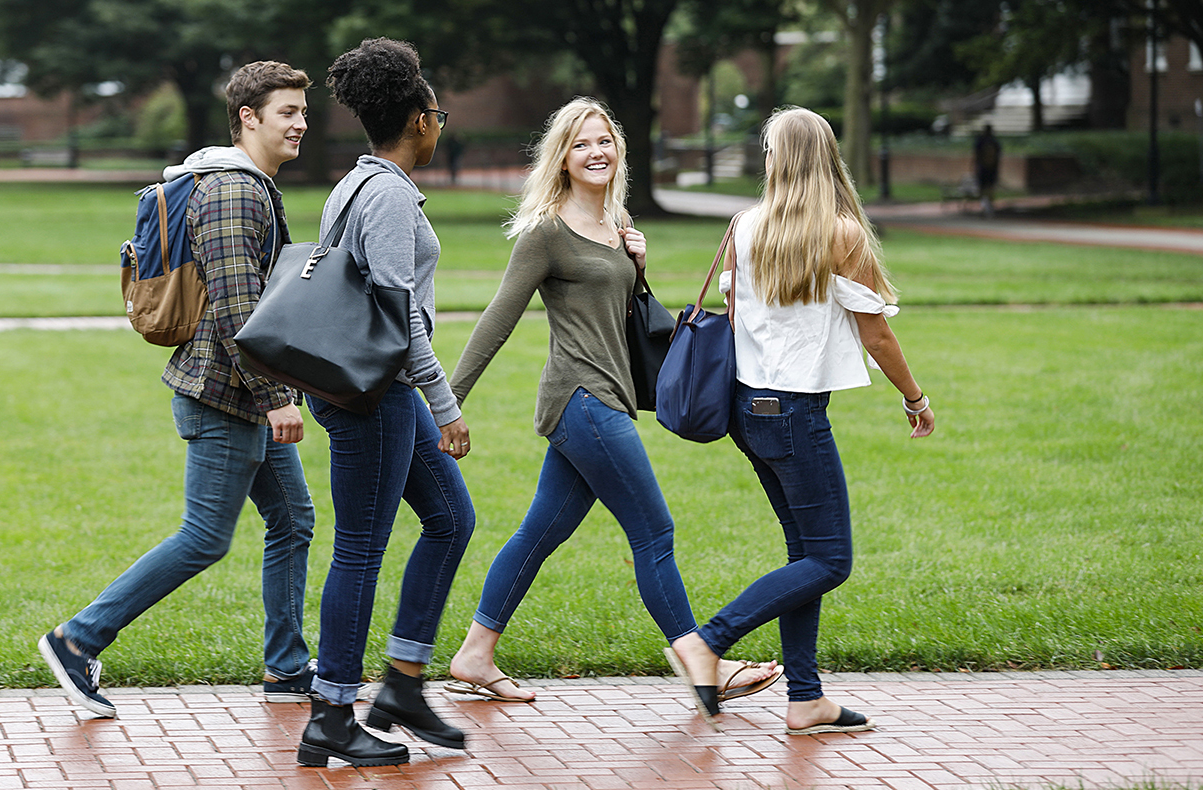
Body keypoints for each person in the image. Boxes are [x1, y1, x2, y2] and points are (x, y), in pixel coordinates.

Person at [444, 98, 781, 707]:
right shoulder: (547, 232)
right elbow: (499, 316)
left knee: (539, 532)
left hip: (609, 397)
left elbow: (630, 323)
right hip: (581, 398)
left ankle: (474, 653)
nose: (595, 152)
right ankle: (702, 661)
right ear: (562, 158)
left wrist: (639, 268)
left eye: (603, 140)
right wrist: (449, 402)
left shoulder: (618, 226)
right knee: (655, 531)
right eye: (580, 144)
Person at [38, 61, 317, 718]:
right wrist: (276, 397)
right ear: (249, 117)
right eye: (287, 112)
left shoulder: (247, 185)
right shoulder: (232, 191)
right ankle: (76, 639)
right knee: (205, 536)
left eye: (304, 111)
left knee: (293, 520)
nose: (301, 123)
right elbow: (233, 309)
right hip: (224, 396)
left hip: (237, 393)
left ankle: (287, 666)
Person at [665, 106, 936, 735]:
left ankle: (805, 698)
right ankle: (707, 641)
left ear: (777, 160)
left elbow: (736, 315)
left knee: (803, 555)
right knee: (832, 560)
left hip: (746, 411)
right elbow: (878, 335)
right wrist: (915, 398)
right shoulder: (841, 235)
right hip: (794, 413)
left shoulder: (744, 225)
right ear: (827, 157)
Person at [295, 38, 475, 769]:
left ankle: (400, 683)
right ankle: (332, 713)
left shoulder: (353, 183)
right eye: (438, 113)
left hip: (359, 393)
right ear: (420, 119)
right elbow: (405, 324)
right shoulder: (392, 196)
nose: (441, 125)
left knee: (452, 519)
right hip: (379, 397)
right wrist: (446, 404)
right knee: (361, 550)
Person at [973, 123, 1001, 217]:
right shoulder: (994, 141)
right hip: (991, 168)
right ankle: (988, 207)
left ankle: (985, 207)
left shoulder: (981, 141)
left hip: (984, 168)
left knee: (983, 188)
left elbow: (977, 155)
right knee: (989, 188)